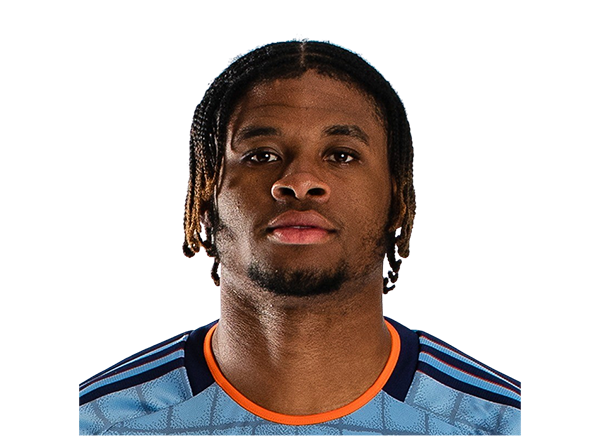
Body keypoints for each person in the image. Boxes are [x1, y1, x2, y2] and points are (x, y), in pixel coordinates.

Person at [78, 41, 521, 435]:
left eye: (341, 155)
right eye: (261, 155)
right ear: (206, 197)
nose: (300, 181)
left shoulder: (505, 424)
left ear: (396, 198)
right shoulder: (94, 423)